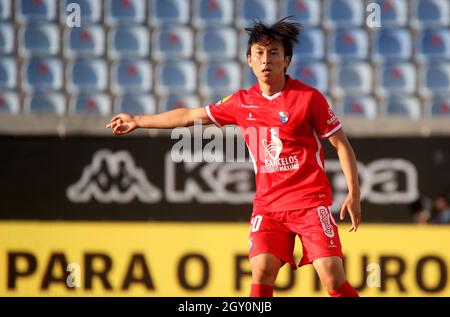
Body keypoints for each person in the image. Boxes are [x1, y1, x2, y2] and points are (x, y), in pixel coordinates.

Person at [106, 17, 361, 297]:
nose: (266, 60)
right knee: (262, 269)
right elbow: (190, 116)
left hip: (310, 203)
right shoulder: (241, 101)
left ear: (287, 60)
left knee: (332, 278)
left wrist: (353, 194)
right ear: (249, 60)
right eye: (259, 53)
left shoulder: (309, 98)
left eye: (274, 53)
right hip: (269, 207)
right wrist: (139, 120)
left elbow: (341, 144)